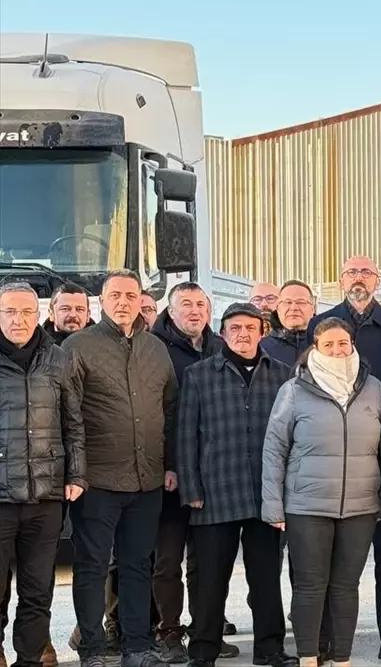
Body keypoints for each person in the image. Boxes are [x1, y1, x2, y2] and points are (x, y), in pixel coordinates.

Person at [308, 255, 381, 666]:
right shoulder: (320, 324)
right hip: (332, 464)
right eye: (351, 272)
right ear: (341, 280)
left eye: (366, 273)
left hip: (379, 459)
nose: (358, 278)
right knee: (331, 563)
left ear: (377, 281)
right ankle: (326, 641)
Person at [261, 317, 381, 667]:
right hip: (307, 506)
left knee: (346, 587)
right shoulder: (294, 390)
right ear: (315, 349)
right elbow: (274, 448)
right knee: (310, 586)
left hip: (360, 506)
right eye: (328, 344)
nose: (337, 350)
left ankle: (342, 658)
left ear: (353, 345)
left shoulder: (373, 388)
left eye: (343, 343)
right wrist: (273, 505)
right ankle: (308, 657)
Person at [63, 270, 176, 667]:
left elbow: (170, 411)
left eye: (131, 295)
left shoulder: (156, 349)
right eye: (116, 295)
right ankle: (92, 649)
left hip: (147, 481)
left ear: (141, 300)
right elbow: (68, 415)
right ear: (102, 301)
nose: (124, 302)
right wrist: (76, 473)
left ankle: (137, 647)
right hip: (98, 481)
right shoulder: (78, 347)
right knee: (92, 567)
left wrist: (170, 465)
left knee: (137, 566)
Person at [174, 303, 297, 667]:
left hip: (265, 493)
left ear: (262, 332)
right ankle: (203, 651)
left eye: (250, 328)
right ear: (223, 332)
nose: (243, 334)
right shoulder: (199, 375)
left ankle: (270, 649)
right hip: (216, 491)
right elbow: (185, 434)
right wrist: (191, 489)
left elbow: (293, 435)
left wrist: (286, 491)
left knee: (266, 578)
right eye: (235, 328)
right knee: (210, 580)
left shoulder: (283, 375)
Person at [0, 282, 85, 667]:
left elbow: (74, 422)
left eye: (25, 312)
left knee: (37, 591)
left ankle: (30, 659)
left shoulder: (58, 359)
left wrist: (76, 475)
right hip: (1, 495)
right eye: (9, 312)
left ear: (39, 315)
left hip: (46, 495)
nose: (18, 320)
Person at [149, 283, 227, 663]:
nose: (194, 311)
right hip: (171, 474)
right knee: (167, 560)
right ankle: (168, 631)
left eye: (201, 305)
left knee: (205, 562)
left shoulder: (219, 347)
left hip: (210, 475)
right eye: (186, 304)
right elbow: (157, 413)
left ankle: (204, 630)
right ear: (171, 310)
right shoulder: (155, 348)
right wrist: (169, 464)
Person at [261, 280, 317, 367]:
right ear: (278, 309)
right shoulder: (261, 349)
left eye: (301, 302)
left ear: (313, 309)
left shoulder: (325, 345)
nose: (293, 308)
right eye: (287, 302)